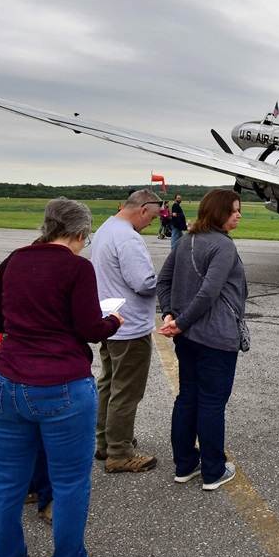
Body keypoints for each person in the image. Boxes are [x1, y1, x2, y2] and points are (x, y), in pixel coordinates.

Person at [0, 198, 122, 557]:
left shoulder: (12, 260)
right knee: (69, 482)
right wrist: (112, 320)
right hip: (60, 383)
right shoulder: (77, 267)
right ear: (80, 233)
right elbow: (89, 328)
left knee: (7, 479)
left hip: (7, 381)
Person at [157, 189, 247, 486]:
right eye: (234, 210)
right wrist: (178, 320)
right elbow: (209, 291)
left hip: (189, 338)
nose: (238, 214)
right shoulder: (223, 246)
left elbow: (164, 280)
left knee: (187, 398)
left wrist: (170, 314)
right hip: (215, 337)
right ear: (218, 212)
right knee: (211, 402)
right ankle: (213, 470)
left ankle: (185, 464)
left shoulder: (186, 241)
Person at [91, 189, 162, 473]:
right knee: (127, 391)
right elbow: (143, 283)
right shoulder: (128, 237)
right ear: (143, 209)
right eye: (153, 217)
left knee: (109, 383)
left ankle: (105, 442)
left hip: (111, 318)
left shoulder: (107, 229)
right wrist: (165, 281)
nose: (152, 223)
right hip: (130, 326)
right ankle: (119, 451)